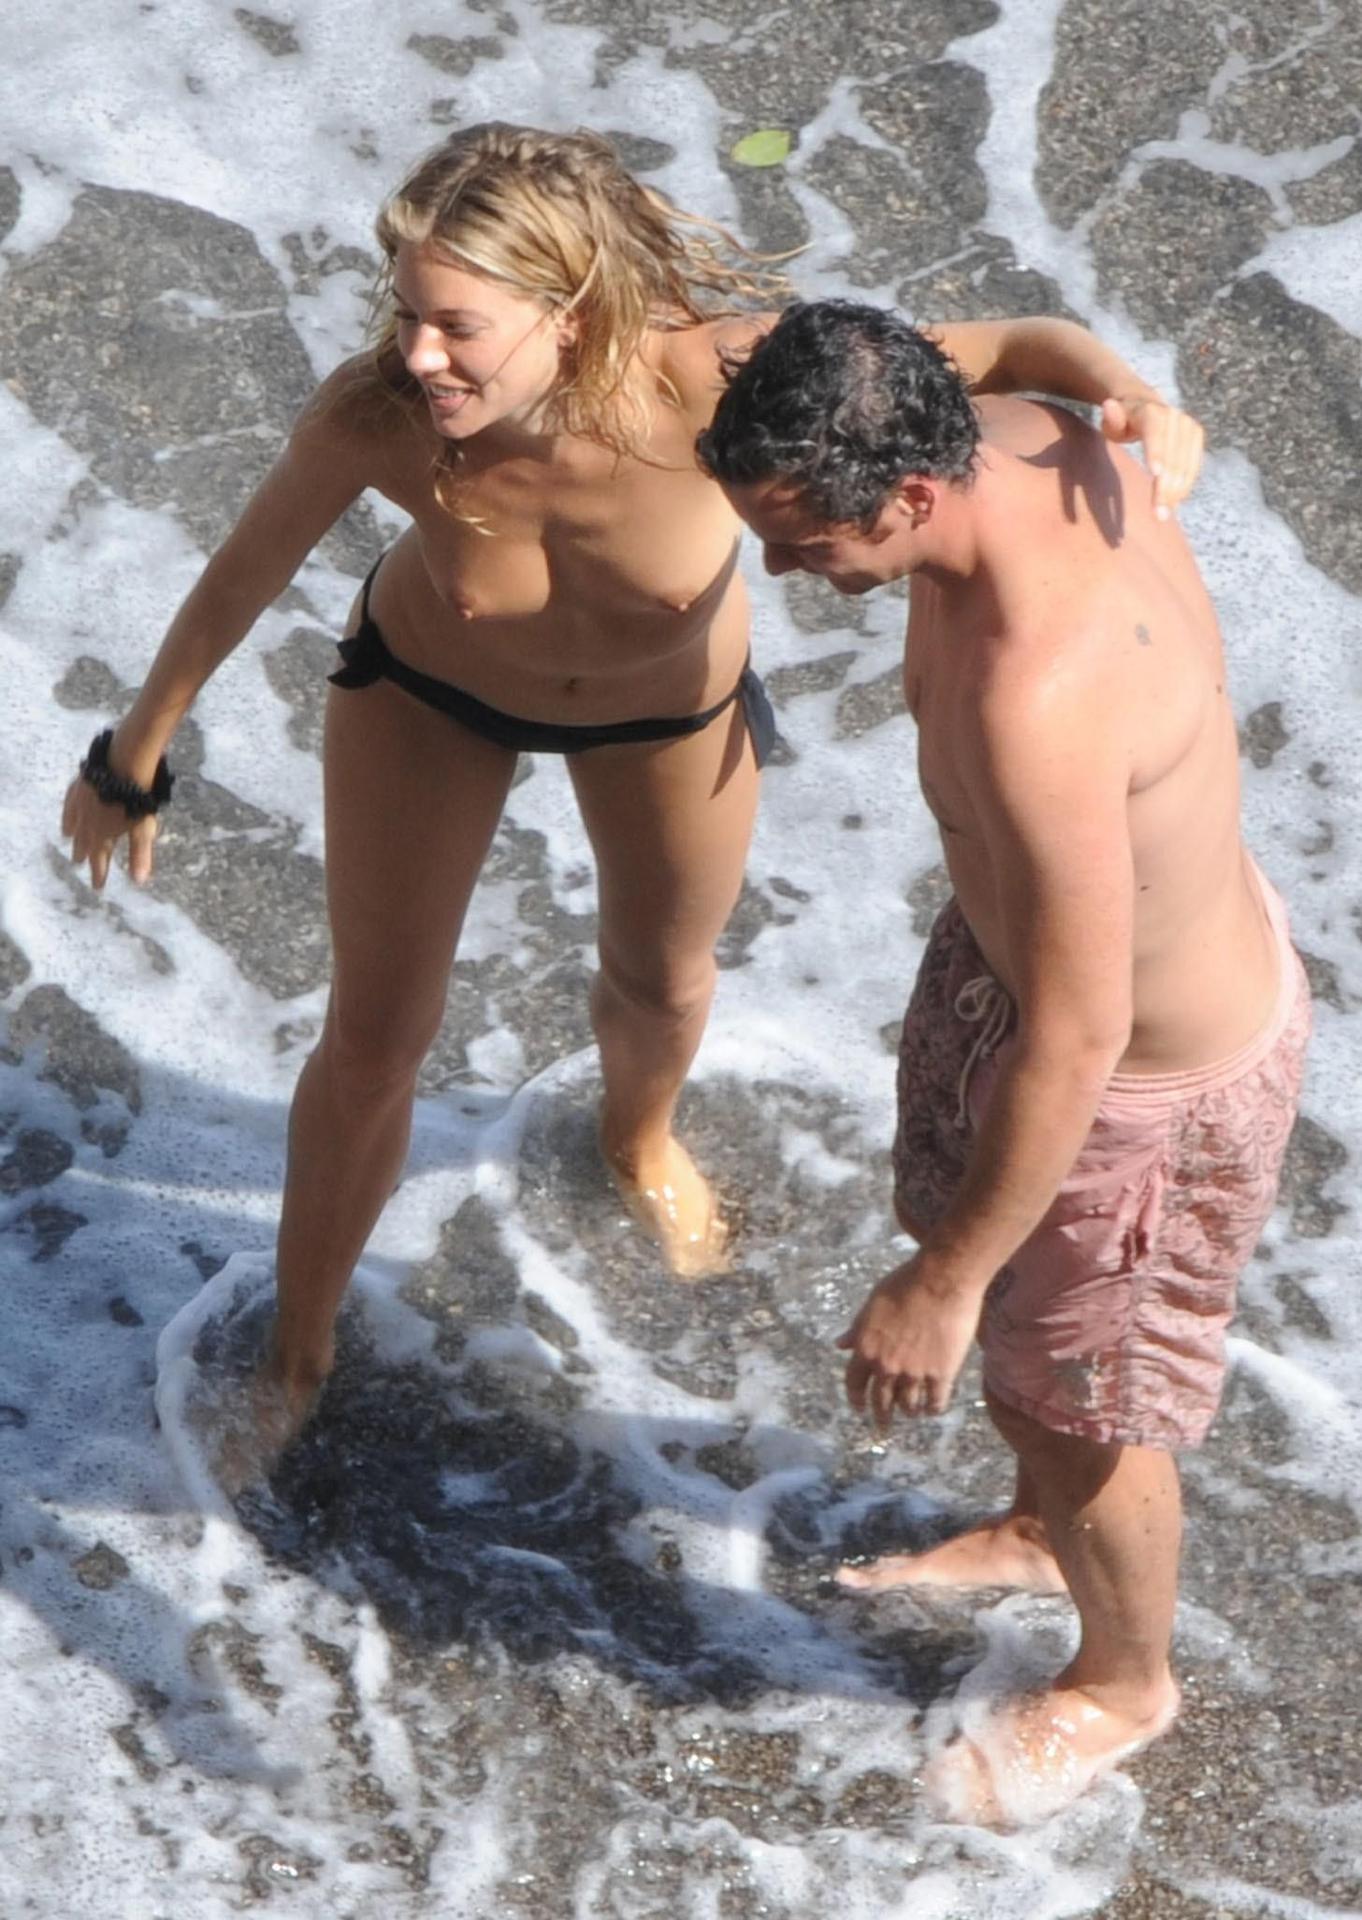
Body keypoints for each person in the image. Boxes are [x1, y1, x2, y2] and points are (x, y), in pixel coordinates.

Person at [62, 123, 1204, 1458]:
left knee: (661, 984)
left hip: (667, 717)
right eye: (408, 313)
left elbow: (1009, 348)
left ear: (568, 311)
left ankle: (637, 1139)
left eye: (456, 326)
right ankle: (299, 1348)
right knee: (372, 1043)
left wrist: (1132, 393)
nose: (417, 353)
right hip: (426, 702)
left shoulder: (713, 376)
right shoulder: (377, 416)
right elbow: (240, 576)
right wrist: (133, 756)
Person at [699, 301, 1308, 1826]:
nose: (784, 572)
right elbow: (1018, 339)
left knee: (1076, 1401)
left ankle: (1121, 1682)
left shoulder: (1035, 690)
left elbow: (1082, 1036)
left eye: (800, 544)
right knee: (1005, 1323)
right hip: (1012, 969)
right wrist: (1123, 380)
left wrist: (945, 1280)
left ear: (908, 495)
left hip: (1139, 1080)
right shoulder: (1026, 430)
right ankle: (1040, 1532)